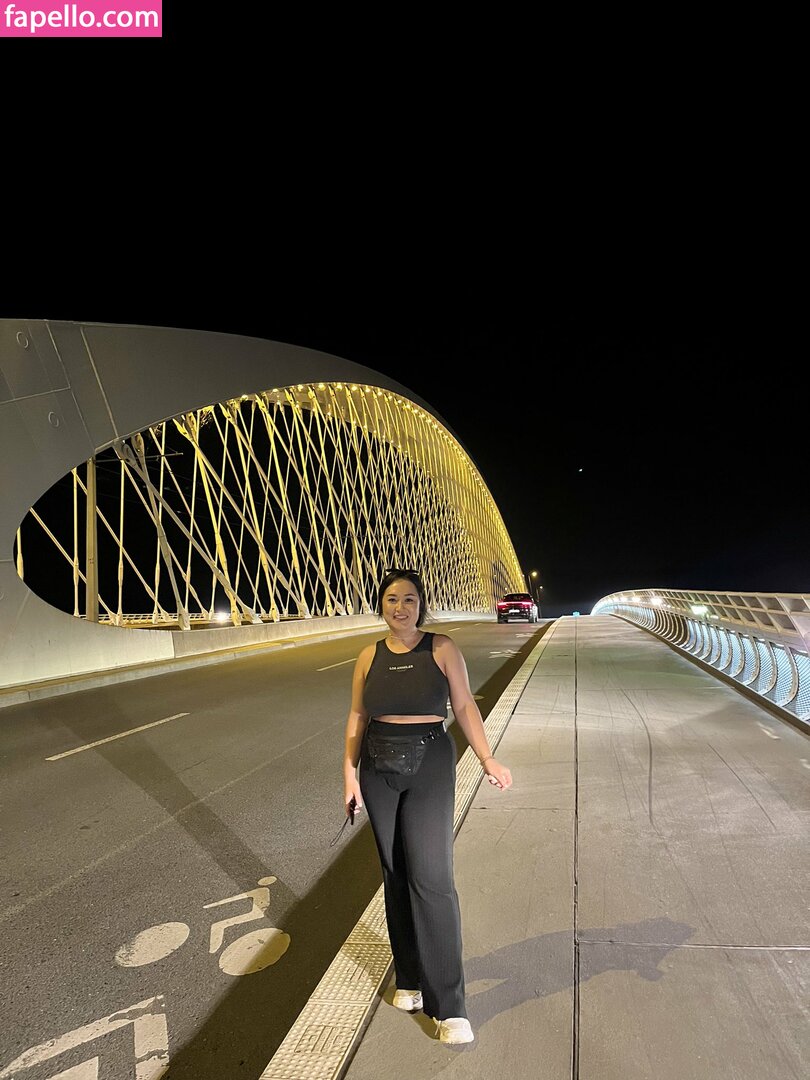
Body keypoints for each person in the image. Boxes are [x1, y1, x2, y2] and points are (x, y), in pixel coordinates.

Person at [342, 568, 513, 1045]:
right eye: (392, 599)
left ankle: (450, 1007)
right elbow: (357, 715)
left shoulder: (441, 648)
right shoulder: (368, 656)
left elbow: (464, 706)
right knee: (395, 872)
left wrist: (487, 758)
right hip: (377, 765)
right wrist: (349, 775)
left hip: (429, 761)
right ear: (381, 605)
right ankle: (410, 979)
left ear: (422, 605)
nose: (400, 607)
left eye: (410, 599)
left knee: (432, 878)